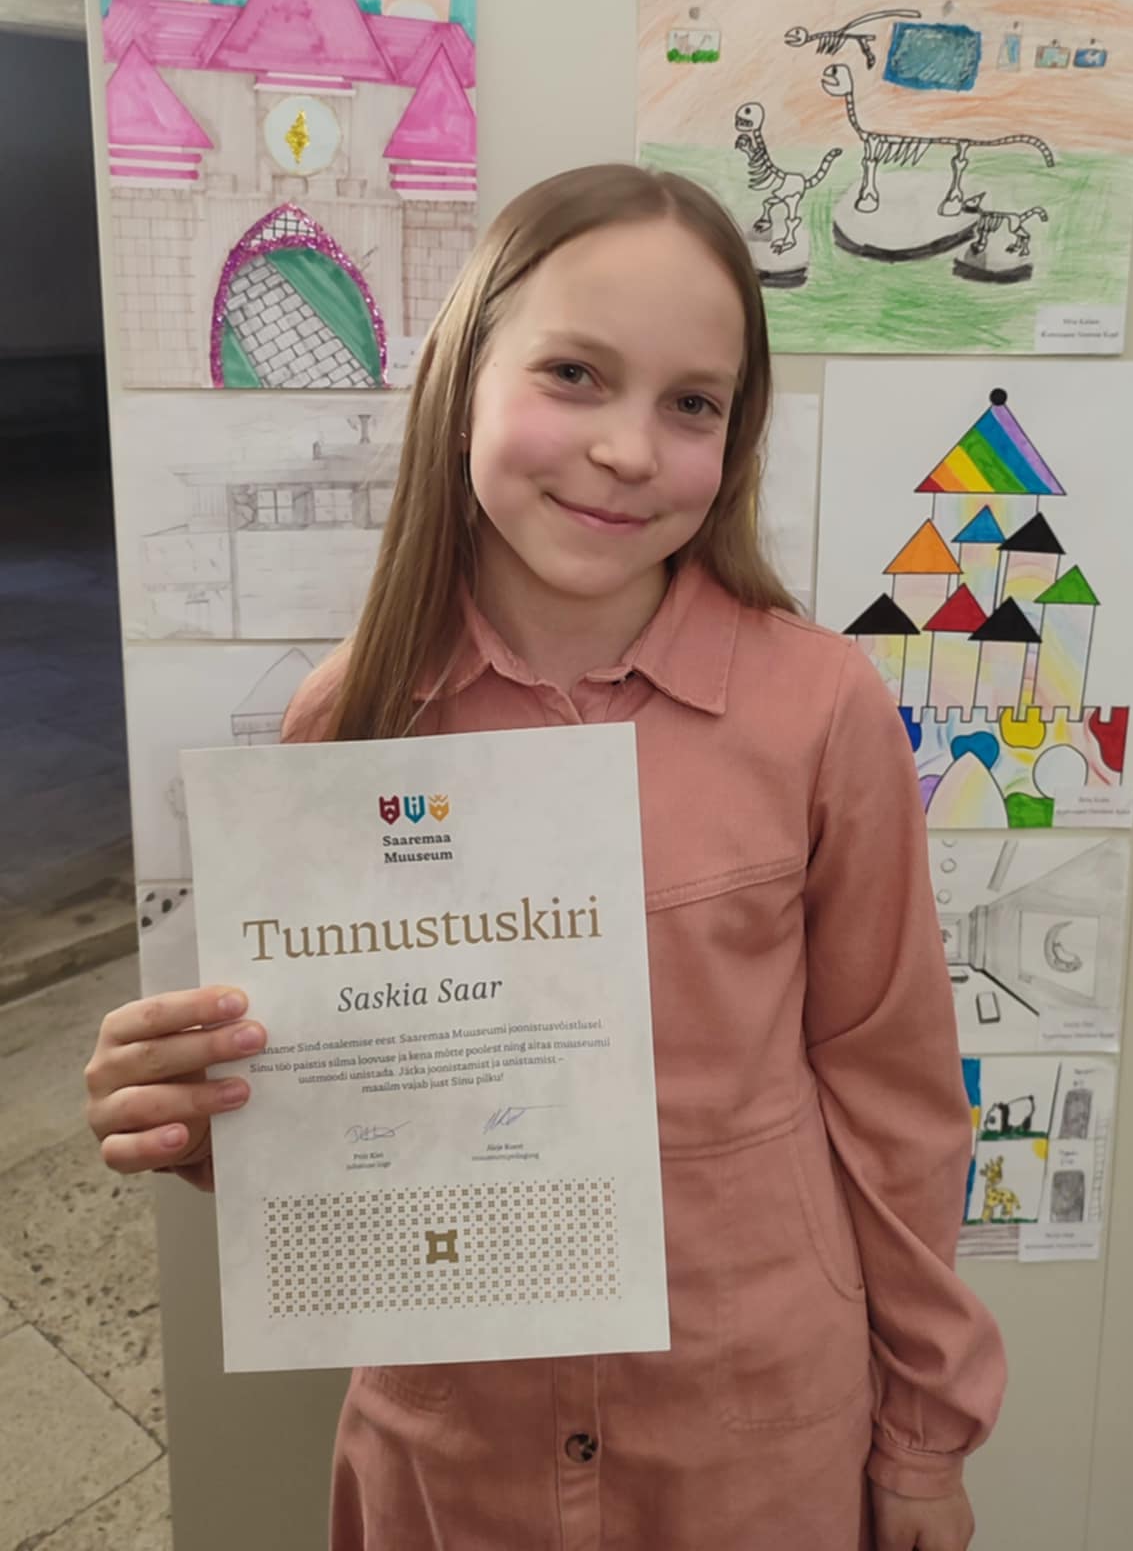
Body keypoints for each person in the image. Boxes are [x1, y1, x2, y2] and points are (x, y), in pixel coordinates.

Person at [85, 165, 1005, 1551]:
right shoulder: (348, 718)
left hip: (748, 1432)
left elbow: (898, 1104)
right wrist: (204, 1112)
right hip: (461, 1443)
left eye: (692, 403)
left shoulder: (820, 711)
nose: (629, 449)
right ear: (463, 377)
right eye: (575, 373)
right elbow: (341, 1105)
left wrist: (924, 1436)